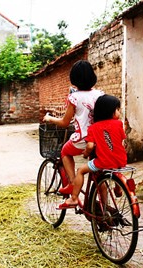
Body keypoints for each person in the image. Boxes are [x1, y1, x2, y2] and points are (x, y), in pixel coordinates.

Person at [43, 60, 104, 193]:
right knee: (98, 173)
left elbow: (65, 122)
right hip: (100, 138)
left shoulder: (74, 97)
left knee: (65, 151)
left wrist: (50, 119)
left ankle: (72, 183)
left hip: (84, 139)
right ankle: (103, 205)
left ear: (74, 79)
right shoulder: (100, 94)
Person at [58, 94, 127, 209]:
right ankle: (118, 189)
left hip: (102, 162)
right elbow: (122, 142)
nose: (119, 112)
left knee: (80, 171)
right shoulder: (119, 124)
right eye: (118, 110)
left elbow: (90, 146)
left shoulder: (93, 128)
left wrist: (85, 154)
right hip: (120, 160)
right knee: (115, 169)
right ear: (111, 112)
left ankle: (74, 198)